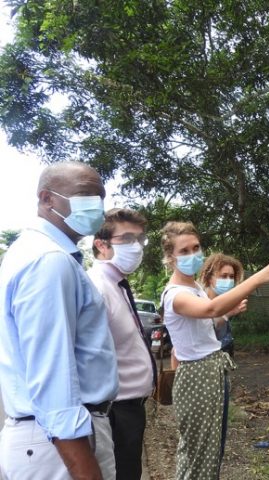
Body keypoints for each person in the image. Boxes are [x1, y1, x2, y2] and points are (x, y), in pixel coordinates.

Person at [0, 161, 118, 480]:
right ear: (46, 199)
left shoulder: (36, 253)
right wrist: (86, 471)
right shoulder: (49, 262)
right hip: (60, 445)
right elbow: (53, 381)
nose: (95, 205)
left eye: (100, 196)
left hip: (51, 441)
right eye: (83, 194)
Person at [159, 221, 269, 479]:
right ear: (170, 257)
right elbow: (209, 310)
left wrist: (226, 315)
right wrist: (257, 278)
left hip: (210, 371)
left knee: (210, 451)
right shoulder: (174, 294)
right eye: (184, 251)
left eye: (196, 247)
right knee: (198, 454)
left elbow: (207, 322)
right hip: (197, 376)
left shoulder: (194, 288)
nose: (193, 254)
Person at [87, 208, 156, 480]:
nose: (137, 247)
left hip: (129, 409)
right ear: (101, 245)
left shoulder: (118, 286)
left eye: (140, 240)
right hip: (116, 412)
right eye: (127, 239)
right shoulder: (98, 287)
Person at [199, 253, 247, 357]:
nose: (229, 281)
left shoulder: (226, 302)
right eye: (223, 276)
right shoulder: (200, 301)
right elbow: (207, 331)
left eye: (231, 277)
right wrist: (228, 314)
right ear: (209, 278)